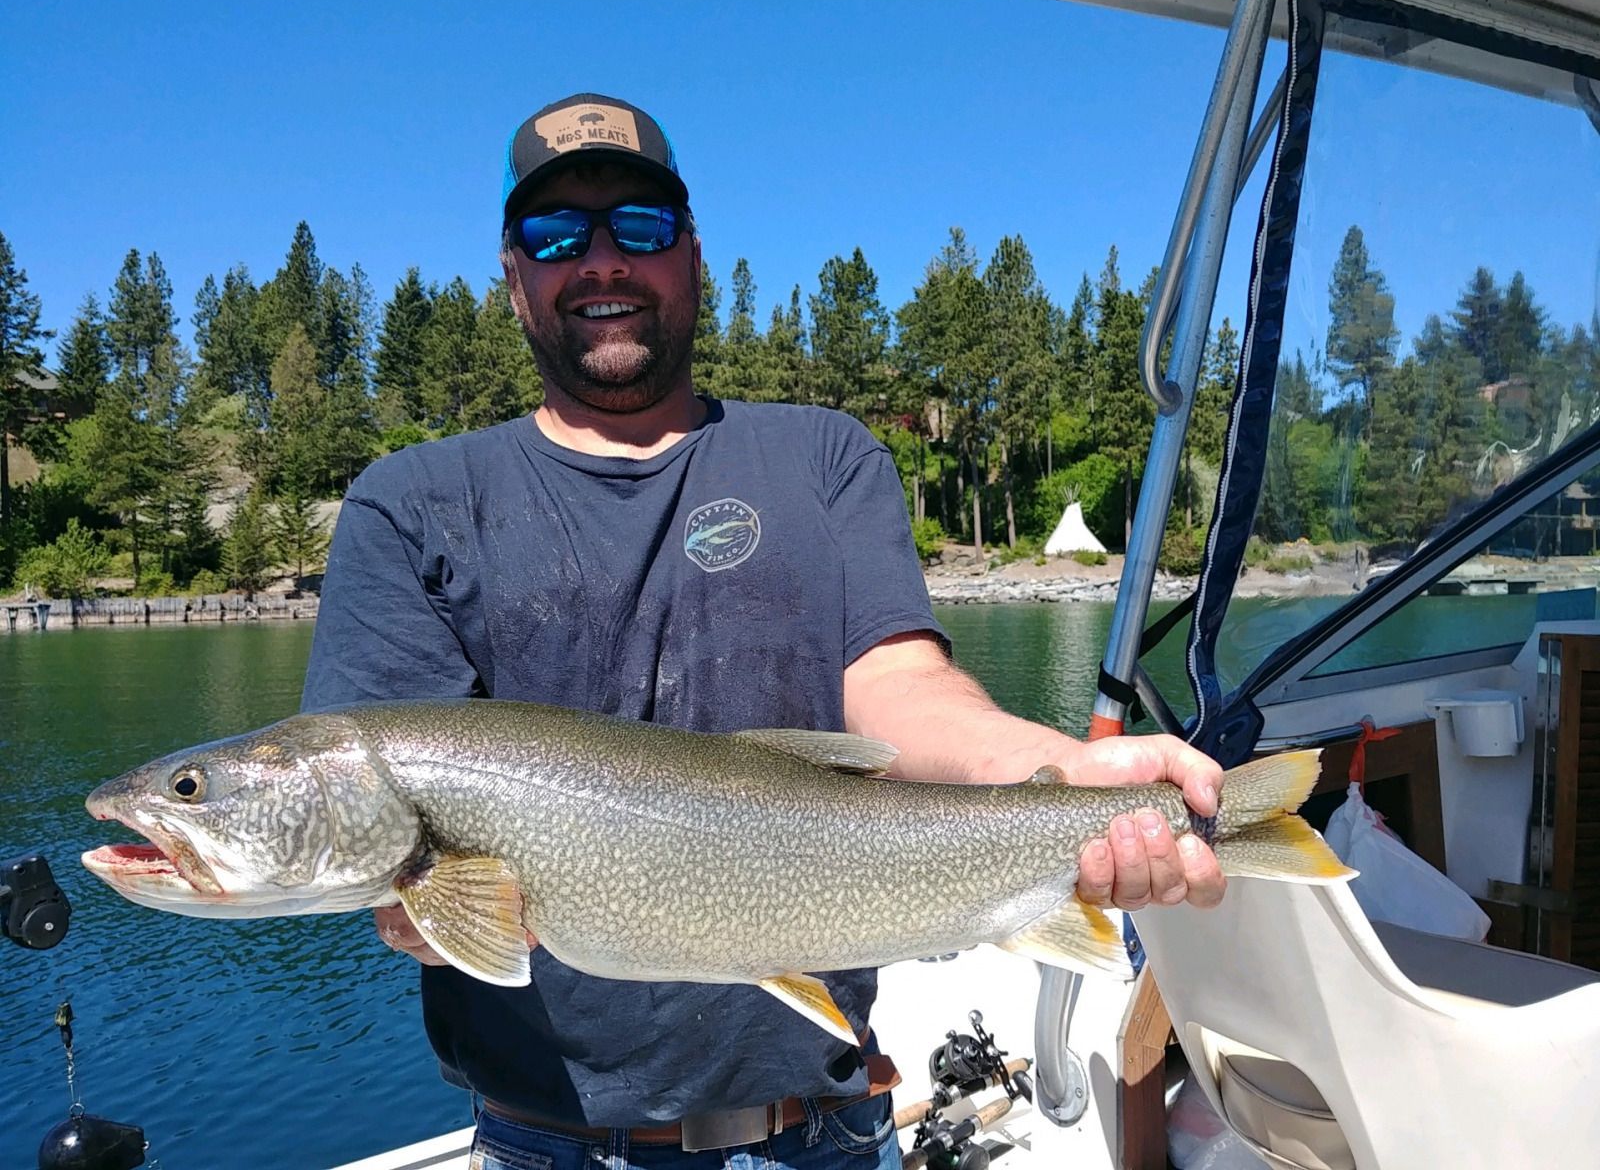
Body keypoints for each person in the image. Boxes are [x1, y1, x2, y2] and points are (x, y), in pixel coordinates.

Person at [302, 92, 1224, 1170]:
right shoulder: (410, 503)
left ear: (691, 258)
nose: (600, 261)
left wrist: (1066, 771)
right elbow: (394, 837)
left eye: (638, 227)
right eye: (558, 235)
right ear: (515, 279)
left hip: (823, 1131)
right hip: (546, 1141)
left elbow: (897, 686)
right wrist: (420, 909)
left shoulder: (824, 458)